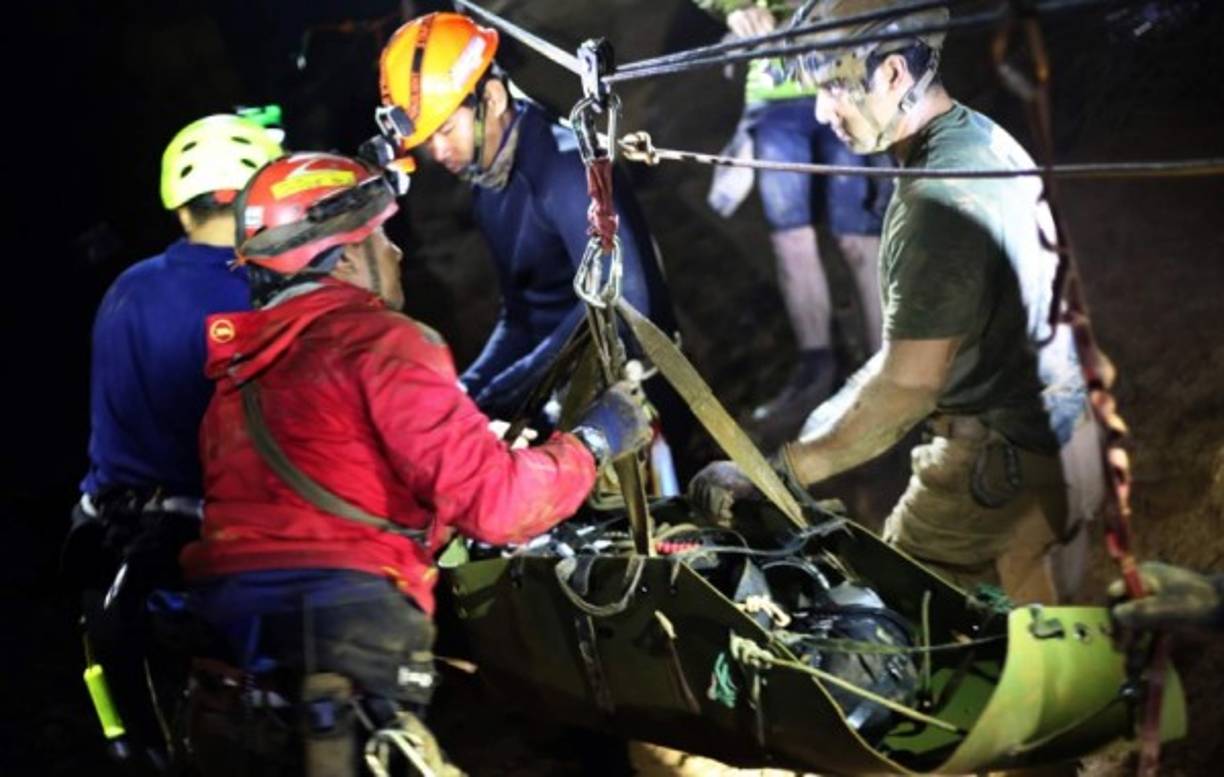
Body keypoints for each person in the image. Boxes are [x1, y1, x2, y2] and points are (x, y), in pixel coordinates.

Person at [180, 151, 652, 775]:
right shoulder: (383, 341)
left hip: (229, 649)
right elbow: (500, 505)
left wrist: (471, 450)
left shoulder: (238, 379)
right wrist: (594, 441)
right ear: (343, 259)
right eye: (381, 236)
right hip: (348, 638)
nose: (397, 252)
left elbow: (325, 489)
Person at [689, 0, 1105, 605]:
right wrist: (801, 448)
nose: (822, 111)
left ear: (891, 73)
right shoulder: (977, 136)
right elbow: (901, 359)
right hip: (1066, 445)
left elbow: (907, 386)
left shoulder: (936, 204)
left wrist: (777, 473)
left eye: (834, 86)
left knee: (892, 623)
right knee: (1040, 649)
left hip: (1001, 473)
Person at [375, 11, 694, 484]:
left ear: (493, 97)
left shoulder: (566, 170)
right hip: (568, 392)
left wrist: (509, 389)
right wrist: (470, 390)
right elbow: (523, 314)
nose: (438, 153)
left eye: (445, 130)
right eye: (427, 140)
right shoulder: (489, 180)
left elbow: (625, 308)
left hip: (635, 399)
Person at [64, 113, 284, 769]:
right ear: (256, 202)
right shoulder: (262, 294)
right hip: (213, 554)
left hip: (109, 543)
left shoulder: (126, 288)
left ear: (182, 208)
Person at [696, 0, 890, 436]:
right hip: (773, 91)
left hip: (847, 76)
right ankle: (816, 372)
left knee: (858, 236)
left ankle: (887, 372)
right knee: (791, 240)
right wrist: (734, 7)